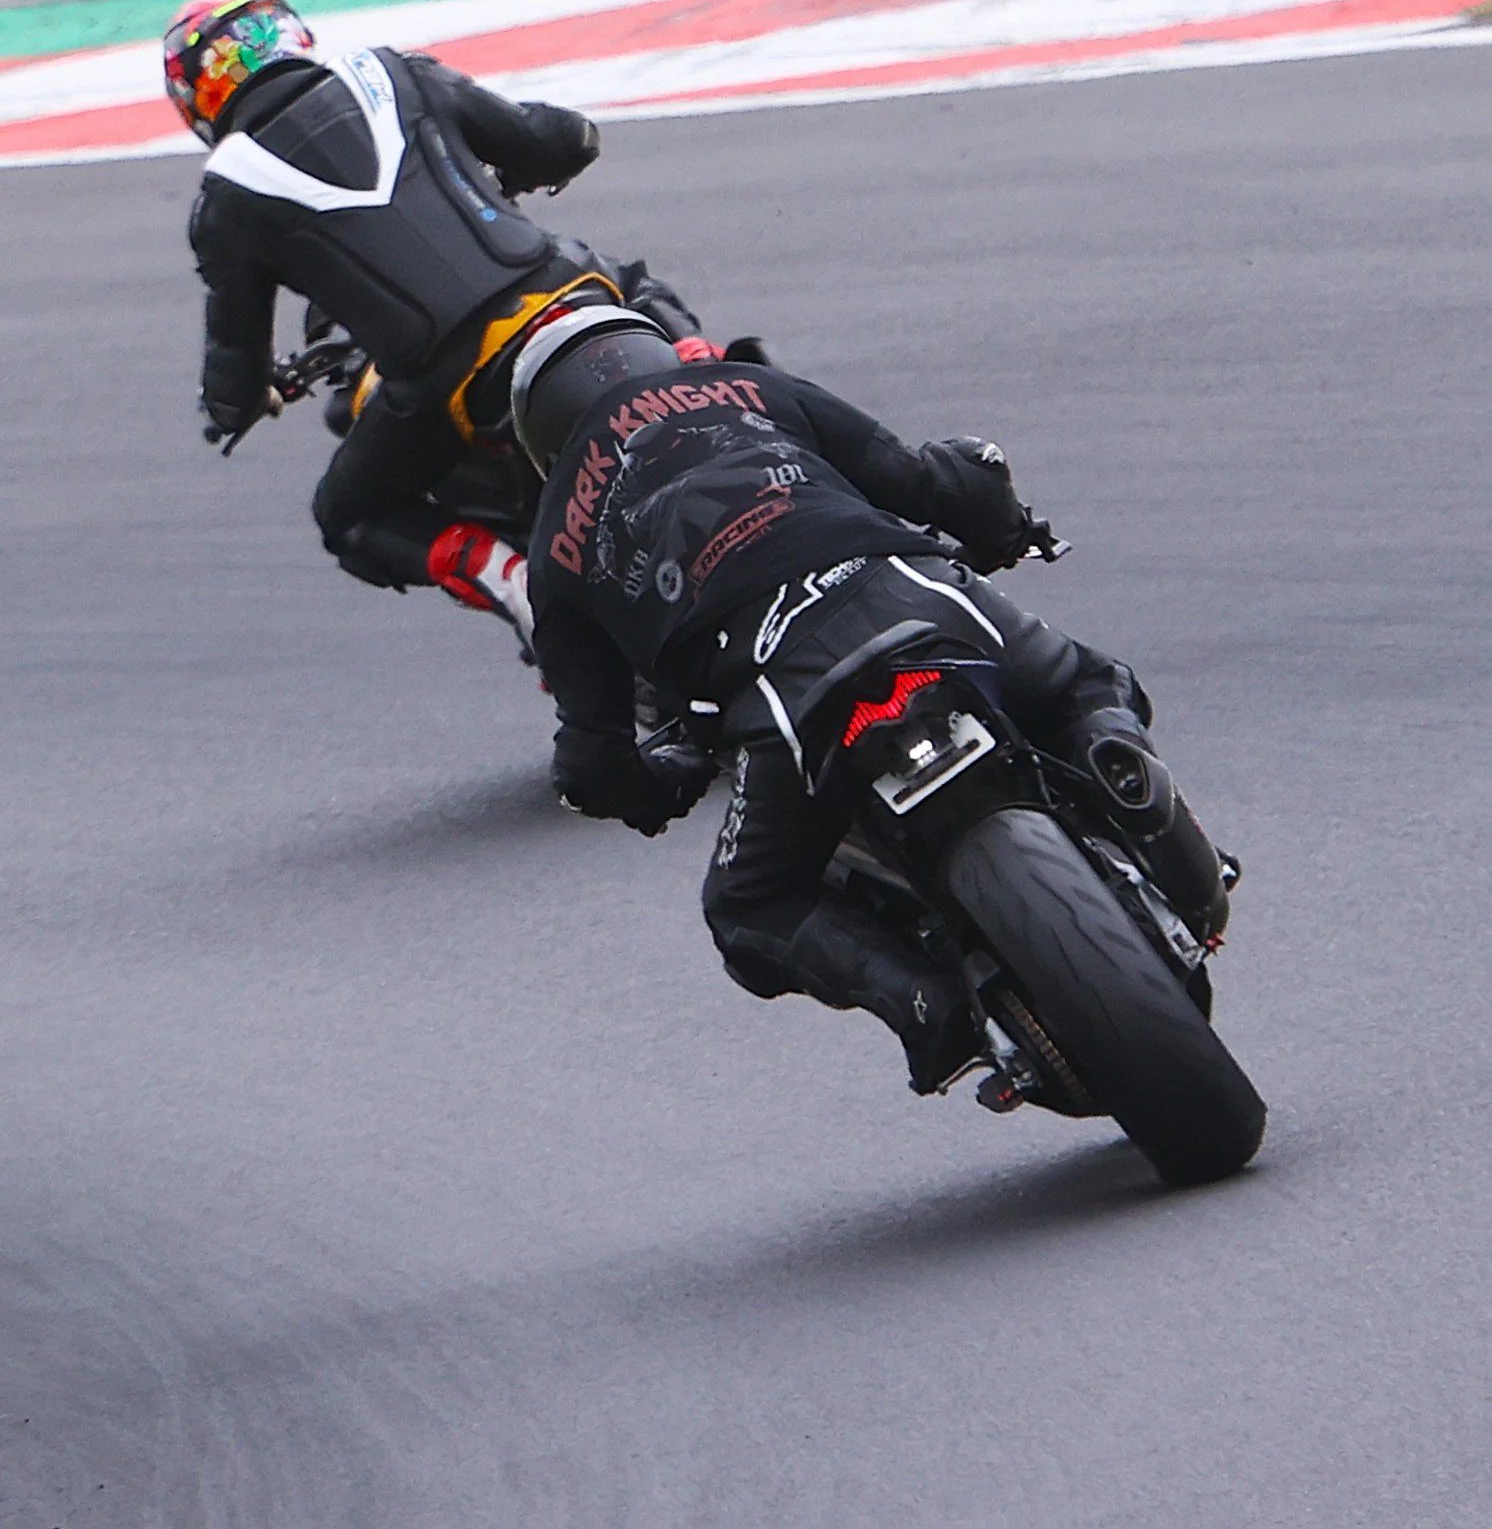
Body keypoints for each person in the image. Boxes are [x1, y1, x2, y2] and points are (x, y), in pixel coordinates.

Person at [510, 305, 1233, 1096]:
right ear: (653, 351)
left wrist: (660, 784)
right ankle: (1129, 785)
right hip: (915, 597)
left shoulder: (555, 546)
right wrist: (1003, 527)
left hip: (787, 700)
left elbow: (591, 755)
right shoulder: (747, 387)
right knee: (1085, 685)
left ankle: (923, 1004)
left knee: (750, 908)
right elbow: (922, 476)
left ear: (542, 435)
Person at [168, 0, 708, 622]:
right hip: (562, 286)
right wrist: (538, 162)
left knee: (347, 516)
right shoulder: (391, 73)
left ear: (197, 95)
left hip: (448, 381)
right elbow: (554, 138)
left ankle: (514, 584)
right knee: (633, 286)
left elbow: (233, 361)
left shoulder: (228, 195)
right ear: (290, 33)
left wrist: (237, 405)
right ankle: (727, 381)